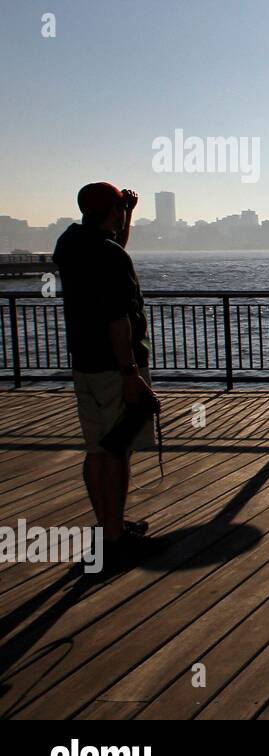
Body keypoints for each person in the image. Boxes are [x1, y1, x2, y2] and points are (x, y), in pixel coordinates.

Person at [52, 182, 158, 565]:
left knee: (97, 449)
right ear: (111, 211)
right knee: (117, 451)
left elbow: (112, 248)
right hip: (115, 368)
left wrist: (124, 214)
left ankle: (107, 526)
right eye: (119, 208)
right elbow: (118, 319)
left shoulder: (70, 244)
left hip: (85, 363)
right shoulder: (110, 257)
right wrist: (130, 373)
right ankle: (116, 541)